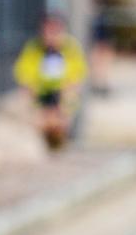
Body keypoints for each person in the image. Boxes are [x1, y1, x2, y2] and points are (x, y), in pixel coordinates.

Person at [13, 12, 88, 150]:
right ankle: (45, 132)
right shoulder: (33, 47)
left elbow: (78, 73)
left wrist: (67, 89)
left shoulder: (71, 47)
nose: (51, 35)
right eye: (47, 31)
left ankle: (57, 131)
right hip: (40, 92)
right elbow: (23, 72)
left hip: (62, 92)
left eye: (55, 31)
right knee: (33, 110)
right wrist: (31, 88)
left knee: (67, 101)